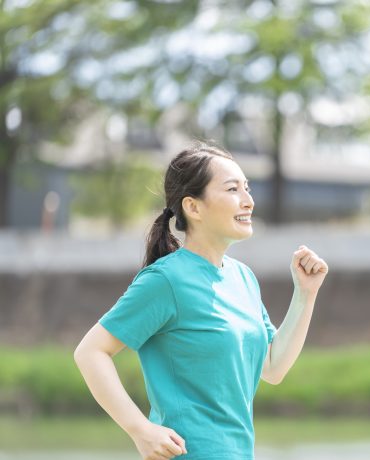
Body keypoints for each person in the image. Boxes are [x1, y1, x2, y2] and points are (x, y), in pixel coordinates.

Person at [73, 141, 329, 460]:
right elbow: (91, 352)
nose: (248, 201)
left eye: (247, 189)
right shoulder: (166, 280)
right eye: (233, 189)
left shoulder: (243, 278)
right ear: (193, 207)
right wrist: (140, 429)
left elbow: (273, 366)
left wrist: (306, 294)